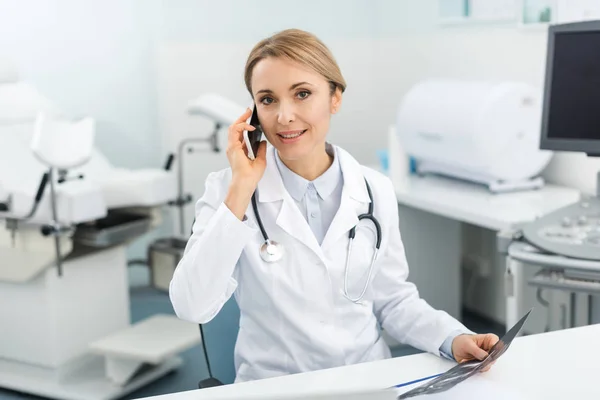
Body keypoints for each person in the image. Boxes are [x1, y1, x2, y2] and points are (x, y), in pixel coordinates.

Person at [169, 28, 499, 383]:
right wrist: (241, 188)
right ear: (252, 116)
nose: (284, 116)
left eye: (302, 94)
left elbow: (393, 300)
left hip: (366, 381)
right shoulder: (228, 190)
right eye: (267, 100)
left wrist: (453, 338)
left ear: (335, 98)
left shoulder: (375, 190)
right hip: (275, 387)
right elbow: (192, 306)